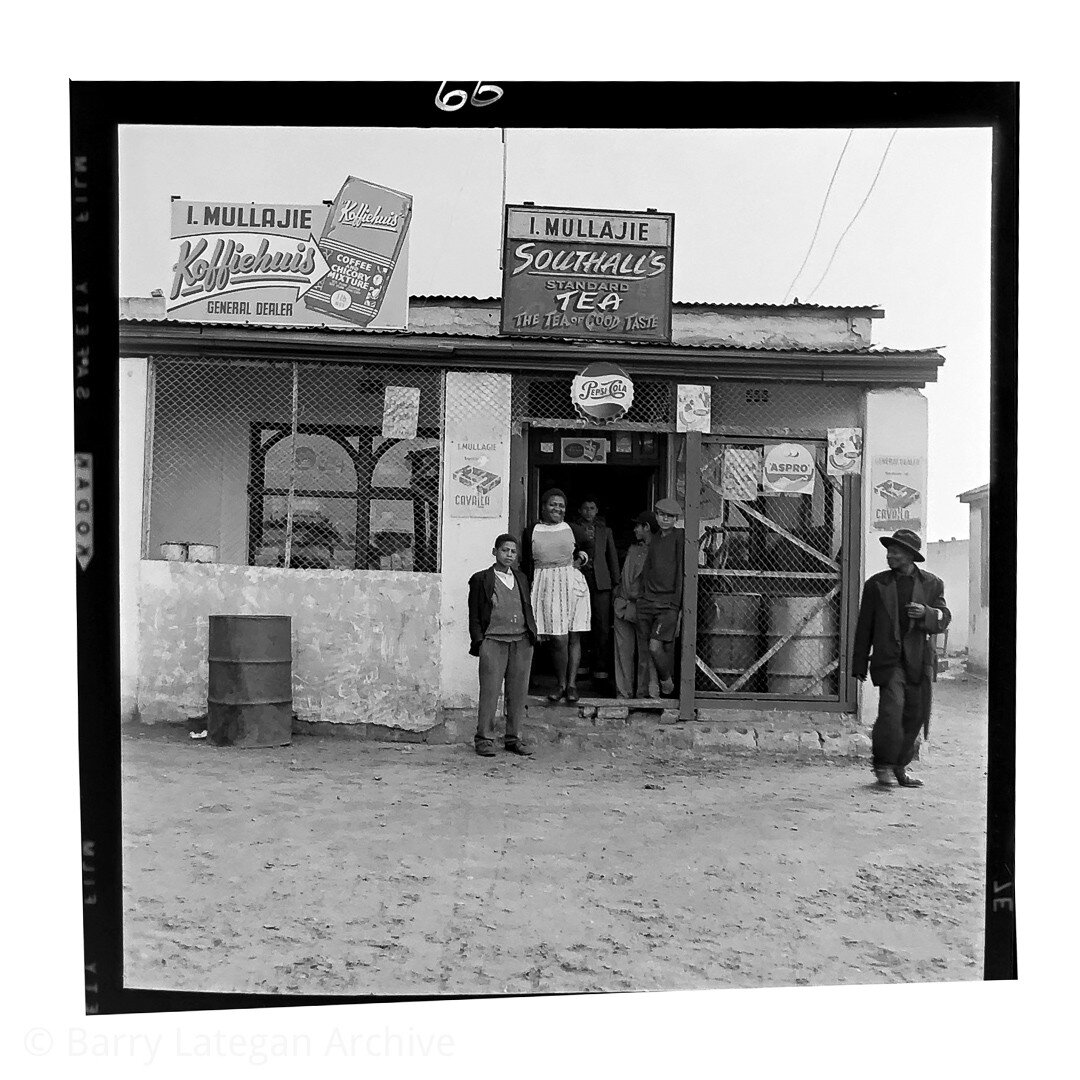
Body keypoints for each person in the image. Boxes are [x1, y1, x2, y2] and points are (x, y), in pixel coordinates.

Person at [852, 528, 951, 788]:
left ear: (909, 555)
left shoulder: (932, 584)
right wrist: (859, 662)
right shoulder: (876, 584)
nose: (890, 555)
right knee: (891, 712)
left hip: (919, 661)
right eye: (889, 550)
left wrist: (927, 612)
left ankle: (900, 766)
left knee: (915, 715)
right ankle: (883, 766)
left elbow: (943, 617)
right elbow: (865, 626)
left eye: (896, 551)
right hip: (889, 660)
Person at [468, 534, 538, 757]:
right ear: (495, 552)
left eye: (513, 551)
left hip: (521, 641)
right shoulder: (481, 579)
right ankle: (484, 738)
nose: (509, 555)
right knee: (489, 692)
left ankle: (513, 738)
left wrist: (531, 633)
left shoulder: (521, 578)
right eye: (504, 550)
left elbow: (526, 605)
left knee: (517, 693)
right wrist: (479, 640)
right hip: (494, 641)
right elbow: (474, 614)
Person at [520, 489, 591, 703]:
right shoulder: (532, 530)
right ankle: (560, 683)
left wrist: (580, 560)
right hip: (545, 583)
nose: (557, 508)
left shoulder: (573, 529)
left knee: (573, 634)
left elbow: (589, 547)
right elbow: (526, 561)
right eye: (553, 504)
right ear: (543, 506)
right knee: (557, 637)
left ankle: (571, 685)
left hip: (571, 582)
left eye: (561, 505)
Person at [636, 497, 685, 698]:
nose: (665, 519)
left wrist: (676, 603)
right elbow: (647, 569)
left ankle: (668, 685)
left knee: (656, 647)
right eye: (662, 515)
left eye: (670, 516)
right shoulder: (654, 538)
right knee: (648, 652)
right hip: (647, 601)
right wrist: (641, 596)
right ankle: (651, 693)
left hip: (668, 604)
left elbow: (682, 571)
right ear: (656, 516)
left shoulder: (681, 537)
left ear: (676, 519)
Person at [574, 495, 620, 691]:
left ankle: (600, 671)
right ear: (579, 511)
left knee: (602, 625)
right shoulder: (572, 529)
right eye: (585, 508)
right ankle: (580, 668)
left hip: (602, 583)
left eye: (592, 508)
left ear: (597, 510)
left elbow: (612, 557)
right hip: (579, 580)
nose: (588, 512)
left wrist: (616, 582)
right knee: (579, 623)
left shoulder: (605, 531)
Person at [613, 510, 660, 699]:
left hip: (643, 607)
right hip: (622, 605)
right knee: (622, 652)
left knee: (645, 653)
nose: (634, 530)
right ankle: (622, 693)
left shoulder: (658, 551)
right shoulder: (633, 549)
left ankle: (643, 694)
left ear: (646, 527)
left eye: (637, 526)